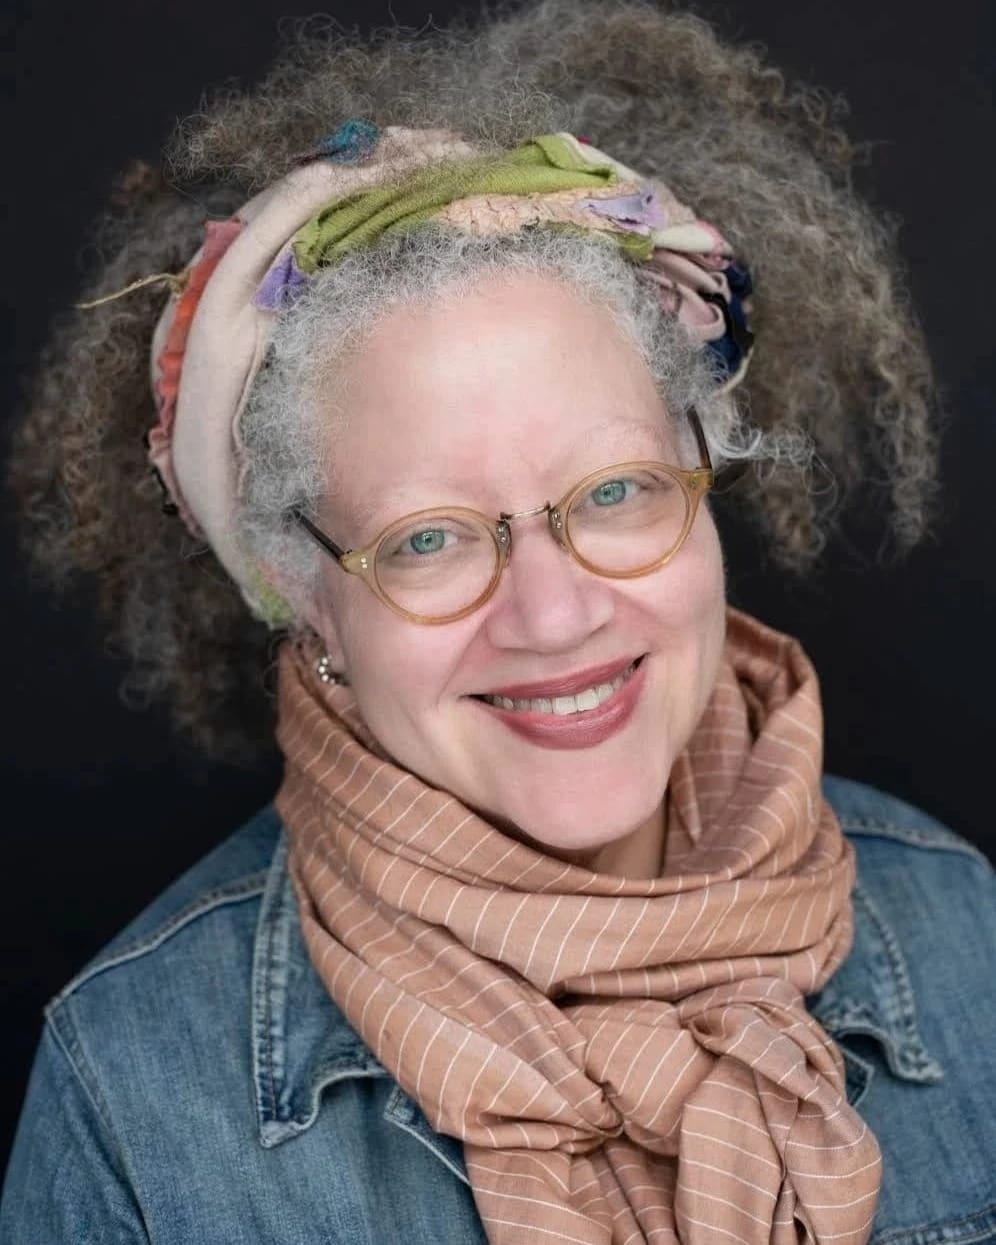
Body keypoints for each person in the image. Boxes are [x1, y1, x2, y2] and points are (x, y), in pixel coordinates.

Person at [2, 1, 994, 1241]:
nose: (556, 611)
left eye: (619, 491)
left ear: (707, 472)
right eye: (427, 538)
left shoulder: (969, 941)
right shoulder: (132, 1093)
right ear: (303, 594)